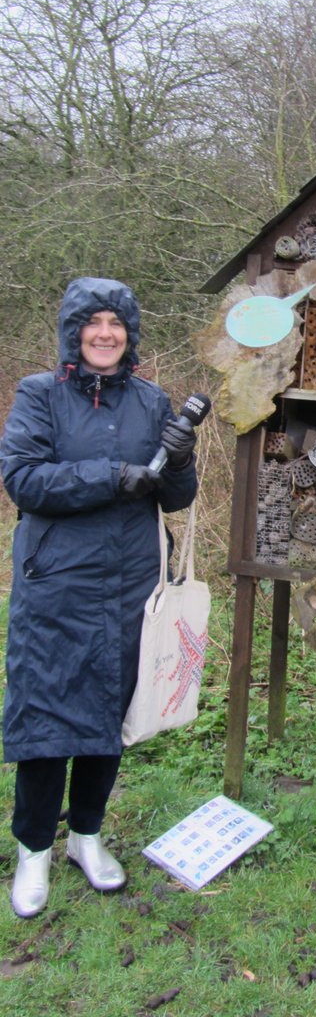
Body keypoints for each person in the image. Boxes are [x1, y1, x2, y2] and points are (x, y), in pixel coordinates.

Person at [0, 277, 199, 918]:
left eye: (116, 323)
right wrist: (114, 476)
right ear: (74, 331)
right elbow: (24, 479)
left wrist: (181, 456)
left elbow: (174, 497)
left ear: (130, 333)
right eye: (93, 323)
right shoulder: (39, 395)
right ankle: (33, 849)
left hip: (129, 585)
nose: (105, 334)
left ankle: (86, 835)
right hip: (55, 584)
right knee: (46, 715)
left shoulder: (149, 400)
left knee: (107, 714)